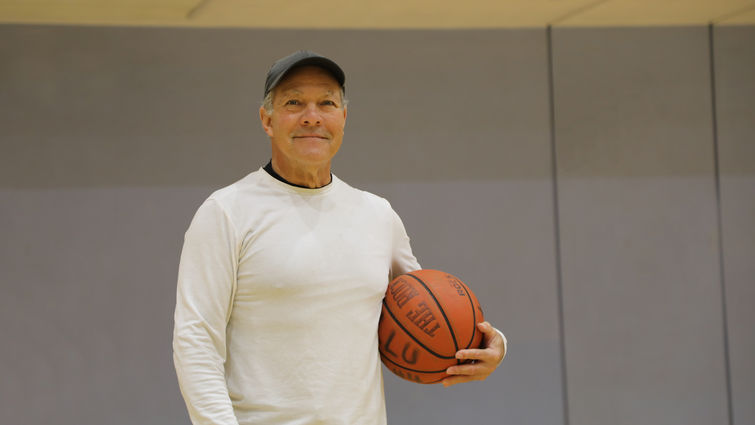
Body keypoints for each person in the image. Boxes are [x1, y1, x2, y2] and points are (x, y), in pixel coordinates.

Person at [173, 50, 507, 425]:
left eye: (326, 103)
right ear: (267, 119)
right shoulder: (225, 213)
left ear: (343, 118)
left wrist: (490, 346)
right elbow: (195, 343)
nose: (311, 116)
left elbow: (426, 308)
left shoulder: (378, 214)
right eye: (294, 102)